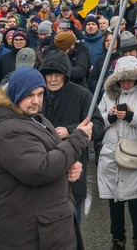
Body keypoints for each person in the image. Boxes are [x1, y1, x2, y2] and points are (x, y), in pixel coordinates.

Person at [0, 66, 93, 248]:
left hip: (45, 227)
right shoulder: (8, 130)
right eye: (29, 95)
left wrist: (68, 166)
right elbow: (41, 168)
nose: (36, 101)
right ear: (15, 94)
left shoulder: (34, 119)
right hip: (26, 234)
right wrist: (79, 138)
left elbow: (51, 154)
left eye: (40, 94)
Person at [98, 56, 137, 250]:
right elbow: (97, 122)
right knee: (113, 202)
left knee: (136, 200)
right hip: (110, 154)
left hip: (136, 155)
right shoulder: (108, 96)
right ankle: (117, 240)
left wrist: (131, 116)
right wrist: (111, 116)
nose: (126, 83)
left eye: (130, 78)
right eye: (122, 79)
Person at [40, 50, 105, 224]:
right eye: (49, 74)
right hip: (44, 164)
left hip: (74, 165)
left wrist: (71, 130)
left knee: (73, 218)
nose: (53, 79)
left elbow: (98, 124)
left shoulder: (82, 94)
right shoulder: (38, 95)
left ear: (66, 75)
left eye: (58, 74)